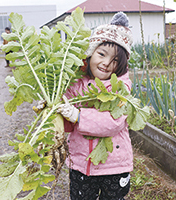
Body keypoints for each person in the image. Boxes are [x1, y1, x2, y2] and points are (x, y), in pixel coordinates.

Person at [57, 12, 133, 200]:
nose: (107, 63)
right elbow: (68, 123)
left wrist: (78, 116)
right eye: (101, 54)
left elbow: (113, 122)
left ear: (122, 65)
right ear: (90, 53)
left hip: (114, 167)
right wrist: (54, 110)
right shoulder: (76, 83)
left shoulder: (121, 88)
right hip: (81, 165)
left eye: (115, 60)